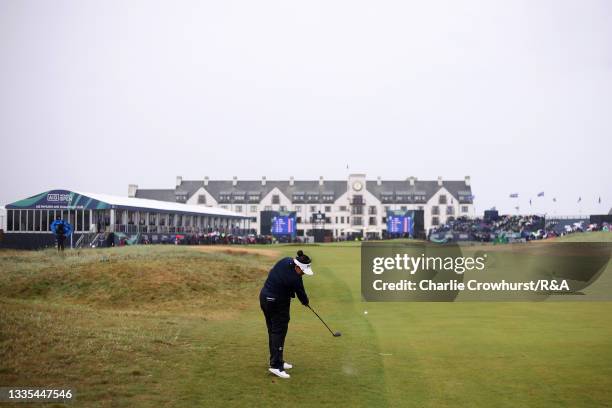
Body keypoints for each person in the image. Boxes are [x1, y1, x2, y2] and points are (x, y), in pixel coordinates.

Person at [260, 250, 313, 379]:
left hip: (264, 298)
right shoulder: (294, 279)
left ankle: (277, 360)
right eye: (303, 272)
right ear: (297, 267)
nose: (303, 275)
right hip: (276, 302)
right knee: (279, 331)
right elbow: (300, 292)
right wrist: (305, 302)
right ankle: (276, 366)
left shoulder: (286, 260)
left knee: (273, 331)